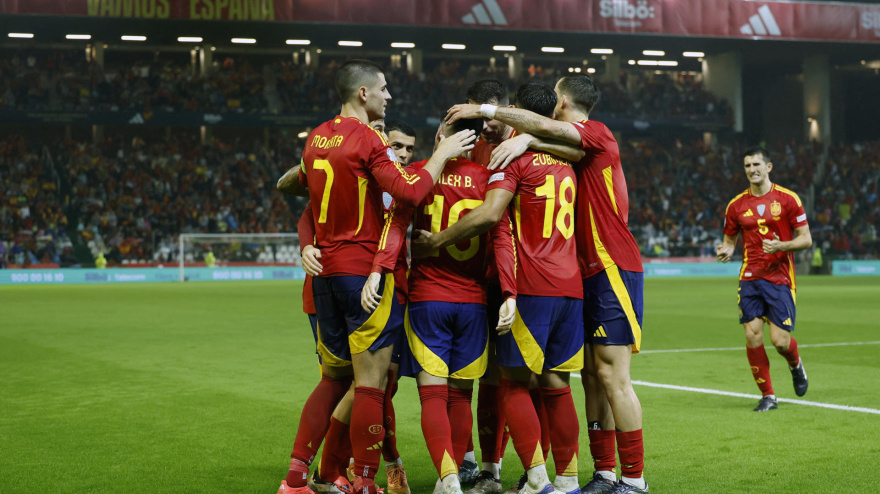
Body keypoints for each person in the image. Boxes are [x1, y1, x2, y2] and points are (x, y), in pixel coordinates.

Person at [277, 59, 476, 494]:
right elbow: (411, 191)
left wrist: (308, 244)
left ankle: (296, 479)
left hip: (325, 276)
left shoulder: (316, 137)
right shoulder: (368, 138)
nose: (389, 95)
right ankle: (365, 482)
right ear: (363, 93)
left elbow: (298, 192)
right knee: (372, 385)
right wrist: (442, 154)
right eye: (384, 88)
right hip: (364, 272)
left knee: (335, 379)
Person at [446, 73, 648, 494]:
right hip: (576, 275)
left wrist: (499, 120)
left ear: (561, 103)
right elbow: (560, 144)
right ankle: (602, 472)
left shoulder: (596, 133)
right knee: (587, 376)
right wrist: (528, 139)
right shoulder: (567, 153)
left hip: (608, 266)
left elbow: (497, 212)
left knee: (608, 376)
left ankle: (633, 480)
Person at [416, 81, 584, 494]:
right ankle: (558, 478)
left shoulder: (511, 156)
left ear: (513, 111)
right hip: (564, 283)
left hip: (521, 283)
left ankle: (533, 478)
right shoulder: (566, 155)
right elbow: (580, 153)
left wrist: (437, 243)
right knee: (550, 385)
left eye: (491, 115)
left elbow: (496, 220)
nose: (484, 127)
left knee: (510, 384)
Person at [364, 114, 513, 494]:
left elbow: (396, 226)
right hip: (474, 303)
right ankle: (456, 475)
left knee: (432, 395)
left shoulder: (418, 174)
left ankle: (448, 478)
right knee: (461, 397)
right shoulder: (488, 179)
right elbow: (501, 240)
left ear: (439, 135)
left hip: (429, 299)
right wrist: (509, 293)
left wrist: (379, 269)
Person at [716, 146, 812, 412]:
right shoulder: (736, 205)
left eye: (756, 164)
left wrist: (782, 246)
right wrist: (726, 251)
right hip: (750, 276)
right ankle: (768, 395)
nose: (752, 170)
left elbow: (806, 239)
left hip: (779, 276)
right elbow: (729, 241)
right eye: (747, 166)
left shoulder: (788, 199)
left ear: (768, 167)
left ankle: (795, 364)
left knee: (780, 341)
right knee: (753, 336)